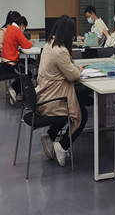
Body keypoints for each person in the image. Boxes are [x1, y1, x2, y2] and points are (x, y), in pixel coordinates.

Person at [36, 15, 88, 167]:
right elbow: (73, 75)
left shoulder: (49, 44)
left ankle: (51, 135)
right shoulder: (60, 51)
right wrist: (79, 69)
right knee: (81, 115)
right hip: (53, 100)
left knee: (76, 103)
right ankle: (63, 145)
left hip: (44, 95)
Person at [1, 16, 33, 102]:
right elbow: (26, 45)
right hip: (11, 63)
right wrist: (31, 43)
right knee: (28, 74)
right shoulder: (17, 30)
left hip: (5, 62)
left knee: (23, 69)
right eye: (24, 27)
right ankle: (14, 89)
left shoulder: (9, 28)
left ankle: (16, 91)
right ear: (22, 25)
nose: (24, 29)